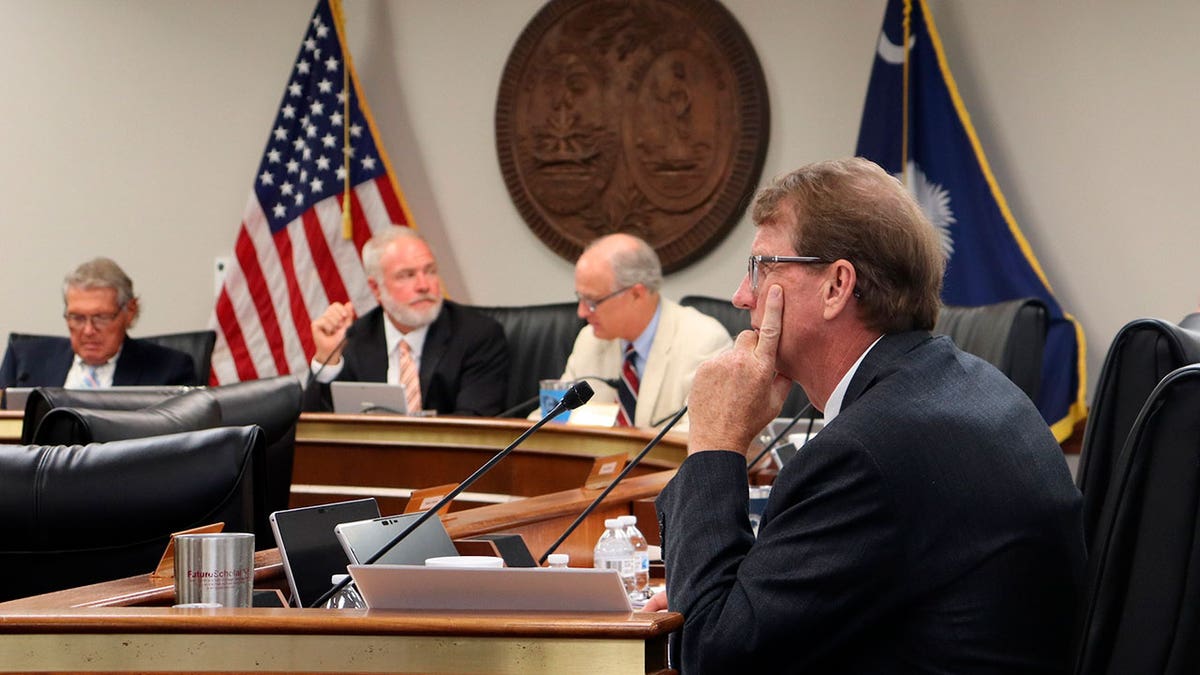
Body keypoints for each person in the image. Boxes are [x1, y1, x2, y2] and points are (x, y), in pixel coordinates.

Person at [649, 158, 1086, 673]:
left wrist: (716, 440)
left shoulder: (867, 452)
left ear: (837, 286)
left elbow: (716, 657)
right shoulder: (971, 387)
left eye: (763, 268)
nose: (742, 296)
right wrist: (718, 591)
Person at [302, 226, 509, 416]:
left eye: (429, 271)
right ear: (376, 288)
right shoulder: (355, 337)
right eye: (407, 275)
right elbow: (314, 429)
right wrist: (327, 360)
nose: (423, 285)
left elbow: (474, 426)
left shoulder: (477, 335)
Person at [556, 233, 731, 428]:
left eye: (592, 302)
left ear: (636, 294)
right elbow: (554, 417)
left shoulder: (704, 342)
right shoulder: (589, 341)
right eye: (580, 298)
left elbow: (704, 436)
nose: (581, 312)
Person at [0, 257, 196, 389]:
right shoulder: (23, 361)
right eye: (77, 318)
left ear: (130, 311)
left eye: (101, 318)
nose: (88, 330)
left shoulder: (170, 371)